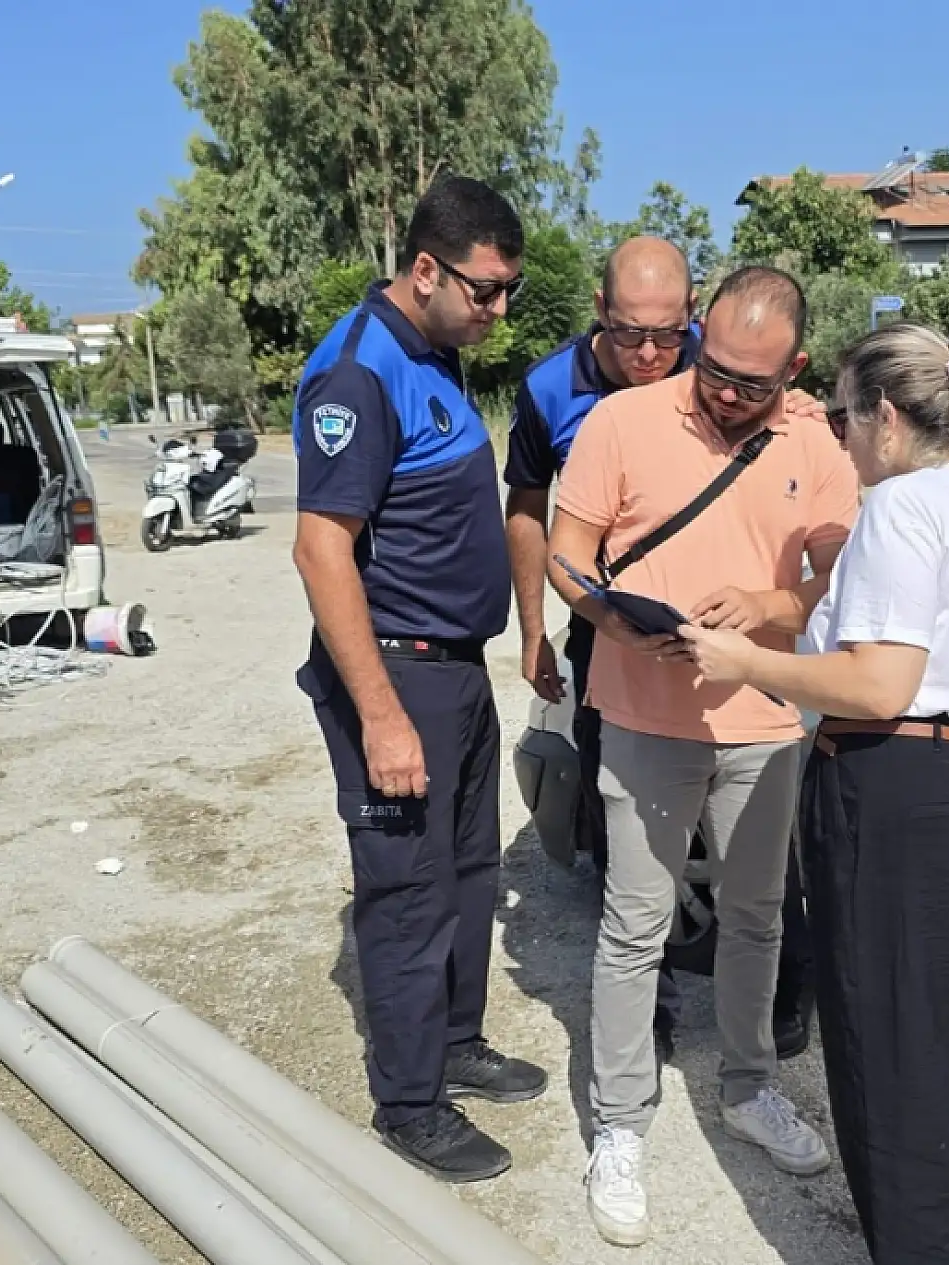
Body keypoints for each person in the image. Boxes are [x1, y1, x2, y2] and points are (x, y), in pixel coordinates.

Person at [680, 322, 949, 1265]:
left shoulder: (901, 504)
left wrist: (744, 661)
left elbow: (880, 681)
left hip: (899, 790)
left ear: (886, 416)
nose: (838, 439)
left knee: (897, 1056)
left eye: (843, 417)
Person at [547, 266, 858, 1248]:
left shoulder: (813, 440)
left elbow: (841, 574)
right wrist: (607, 618)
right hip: (643, 717)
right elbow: (566, 549)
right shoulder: (622, 421)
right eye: (713, 369)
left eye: (750, 383)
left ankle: (749, 1085)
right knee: (634, 925)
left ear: (793, 369)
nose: (724, 393)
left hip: (762, 723)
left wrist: (768, 606)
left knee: (756, 917)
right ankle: (619, 1123)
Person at [504, 237, 818, 1064]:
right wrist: (546, 626)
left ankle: (780, 1010)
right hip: (617, 645)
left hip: (749, 685)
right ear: (600, 312)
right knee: (631, 867)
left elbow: (834, 556)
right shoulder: (557, 392)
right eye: (630, 334)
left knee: (761, 872)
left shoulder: (769, 396)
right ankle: (650, 1019)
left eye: (669, 335)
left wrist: (767, 606)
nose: (650, 353)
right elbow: (534, 517)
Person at [291, 175, 547, 1185]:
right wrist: (382, 714)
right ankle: (409, 1102)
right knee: (407, 891)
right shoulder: (357, 373)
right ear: (427, 269)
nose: (499, 310)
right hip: (399, 675)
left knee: (467, 872)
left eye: (510, 290)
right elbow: (321, 551)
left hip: (455, 668)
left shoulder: (432, 351)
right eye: (485, 290)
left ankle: (454, 1040)